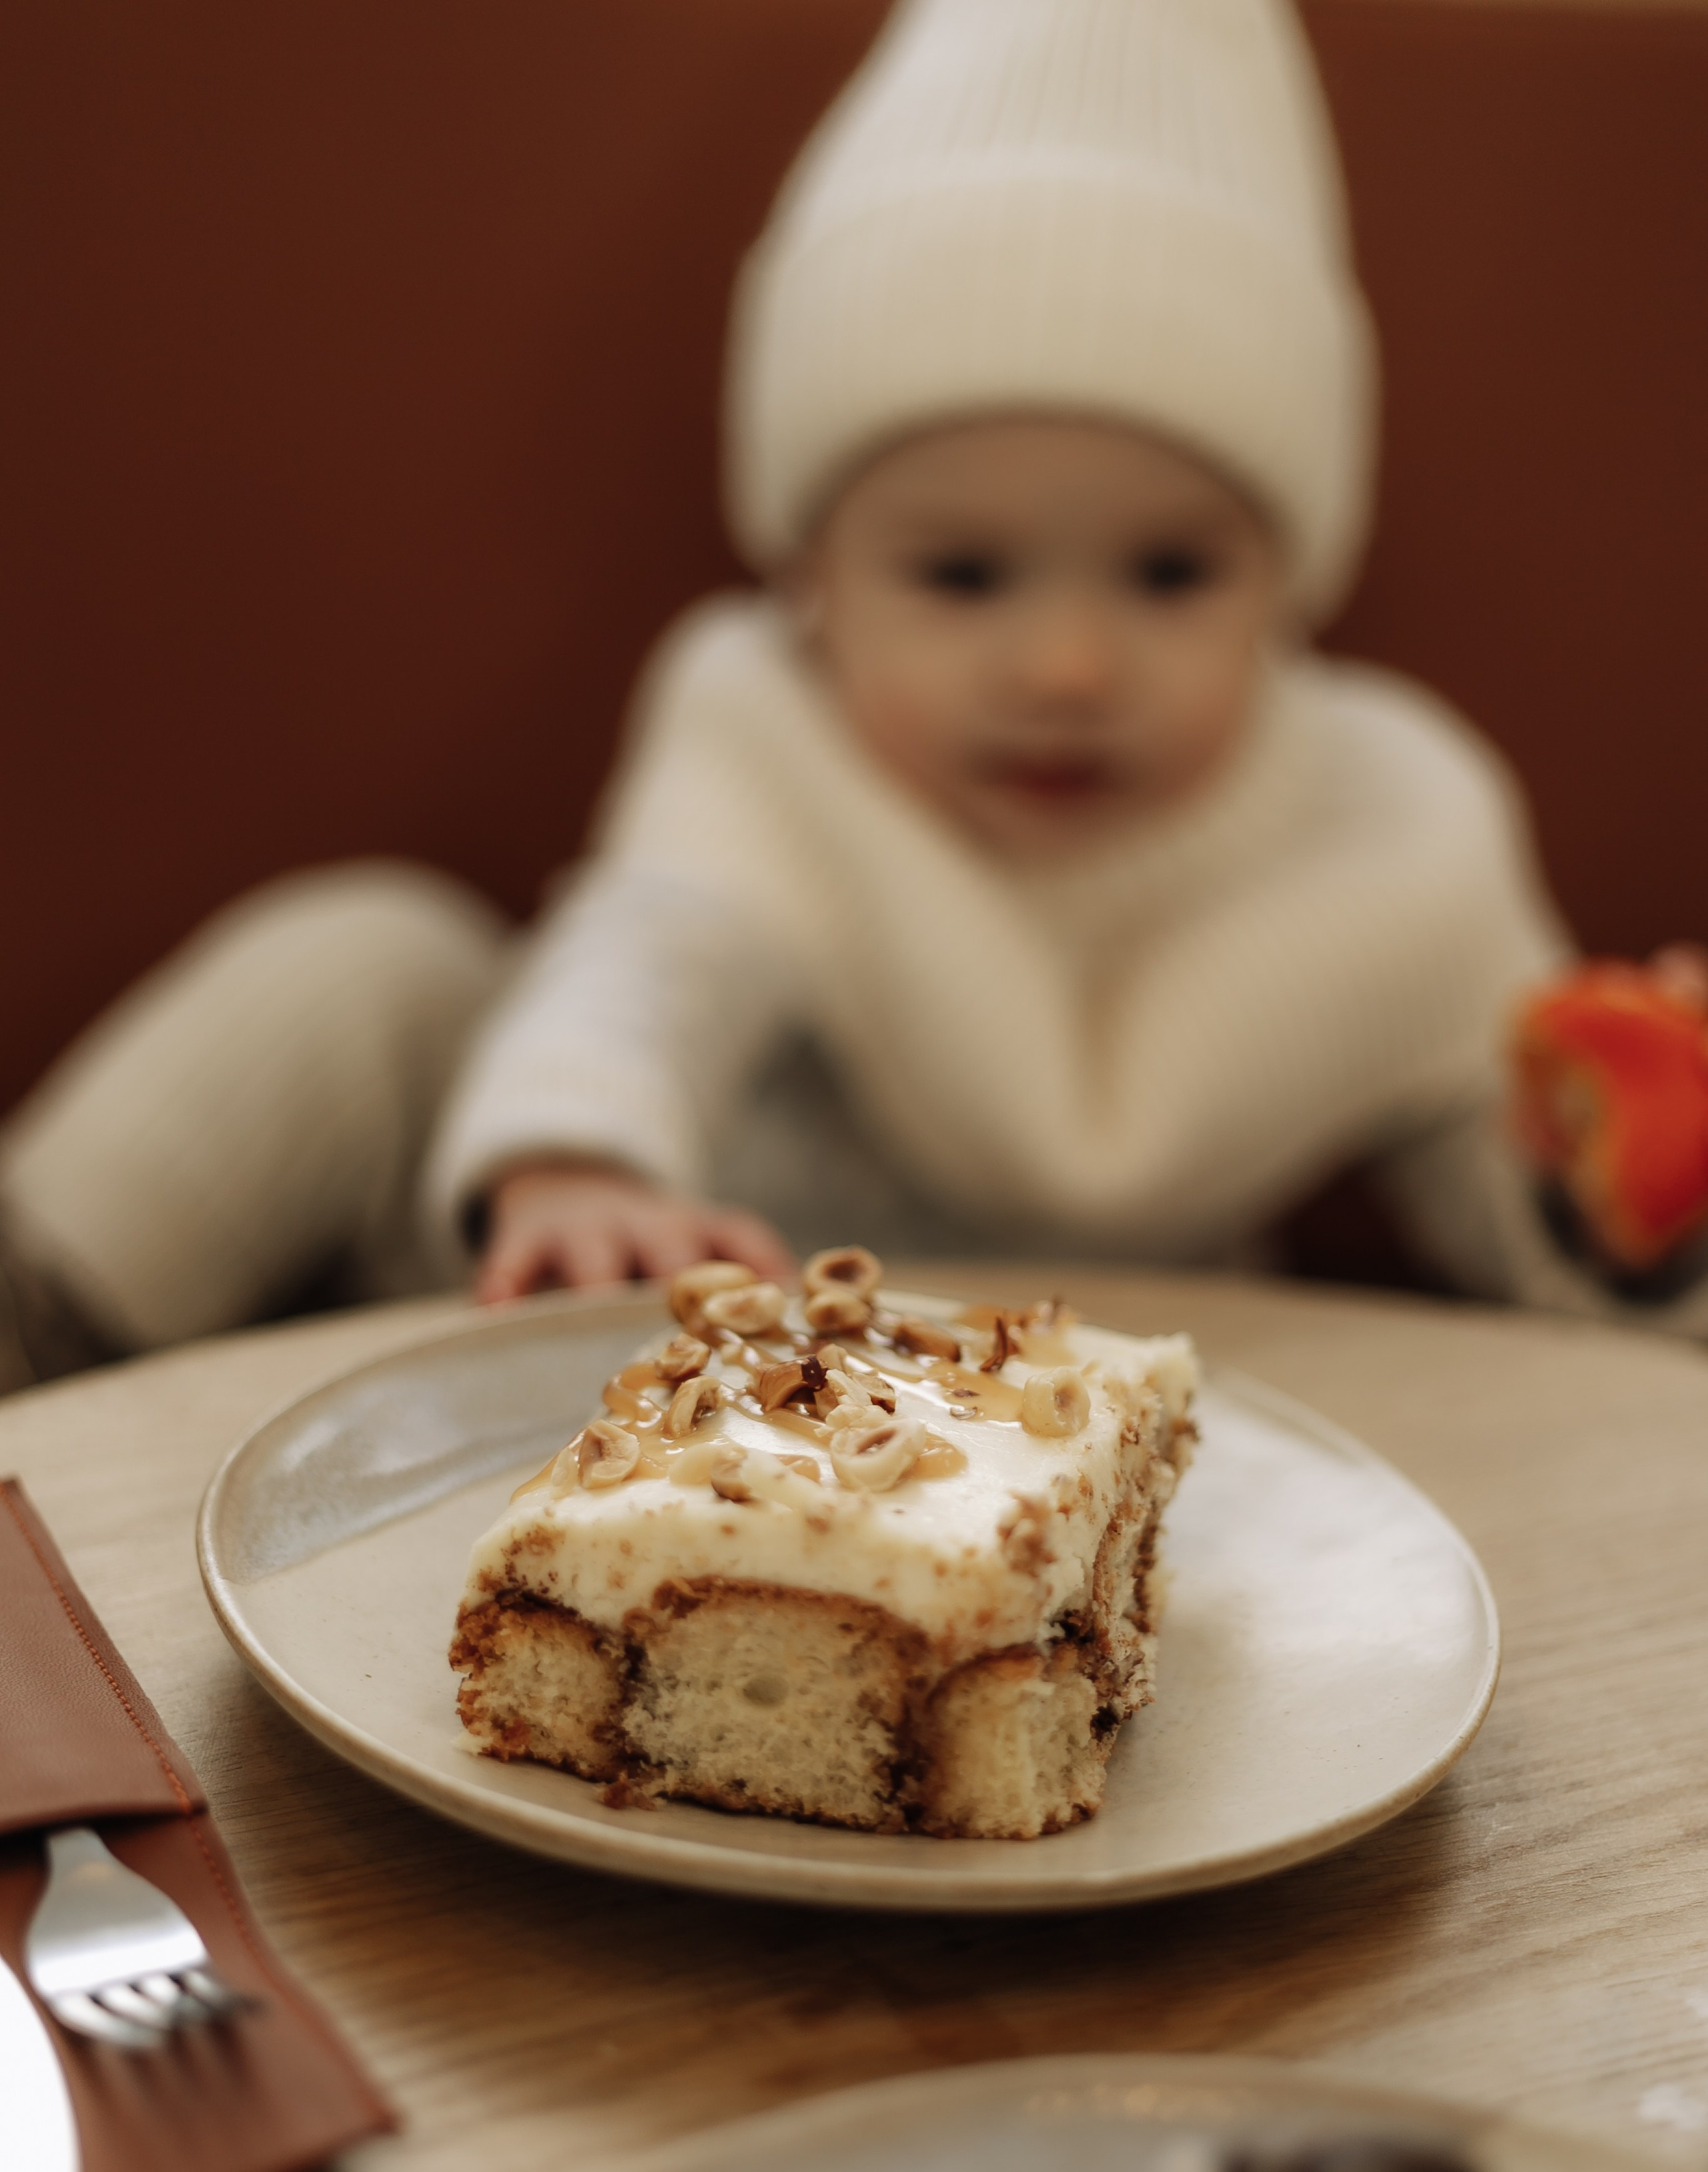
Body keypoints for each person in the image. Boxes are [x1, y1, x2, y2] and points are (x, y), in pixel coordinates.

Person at [1, 0, 1701, 1395]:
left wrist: (1622, 1189)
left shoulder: (1387, 825)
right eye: (958, 577)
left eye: (1170, 575)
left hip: (975, 1412)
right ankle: (40, 1338)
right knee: (366, 962)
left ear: (1294, 571)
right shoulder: (774, 725)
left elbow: (1502, 1227)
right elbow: (649, 962)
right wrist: (579, 1161)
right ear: (812, 580)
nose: (1063, 666)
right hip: (566, 1273)